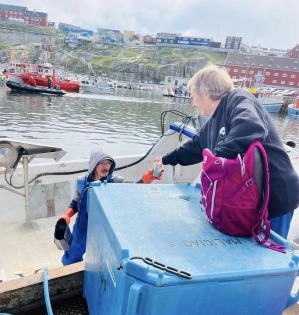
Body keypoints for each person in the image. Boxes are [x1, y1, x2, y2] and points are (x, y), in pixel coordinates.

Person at [154, 64, 299, 239]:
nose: (193, 104)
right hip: (251, 200)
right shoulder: (213, 121)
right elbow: (195, 147)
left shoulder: (238, 99)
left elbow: (251, 127)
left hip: (275, 196)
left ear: (205, 94)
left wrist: (215, 160)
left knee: (269, 258)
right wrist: (166, 159)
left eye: (193, 97)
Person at [55, 147, 164, 266]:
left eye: (108, 163)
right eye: (102, 163)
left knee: (105, 259)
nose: (106, 166)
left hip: (105, 225)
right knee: (72, 255)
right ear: (93, 165)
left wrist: (149, 177)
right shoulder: (81, 181)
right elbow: (75, 202)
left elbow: (133, 189)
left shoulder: (116, 181)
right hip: (83, 225)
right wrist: (67, 215)